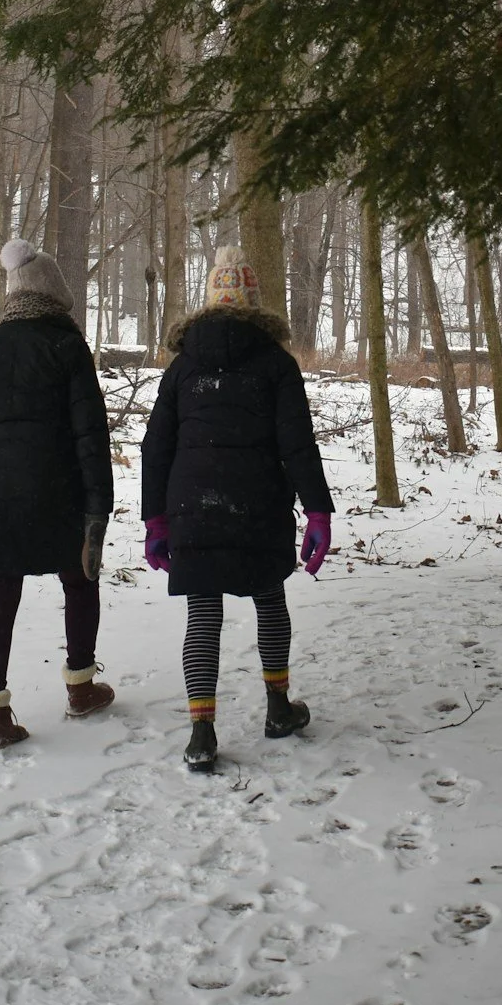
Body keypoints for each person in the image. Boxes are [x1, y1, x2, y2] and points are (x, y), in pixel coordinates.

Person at [141, 244, 335, 773]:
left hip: (192, 504)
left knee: (203, 612)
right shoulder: (276, 364)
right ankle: (278, 708)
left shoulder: (182, 368)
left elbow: (155, 447)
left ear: (209, 303)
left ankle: (201, 733)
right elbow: (297, 445)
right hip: (259, 503)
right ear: (254, 302)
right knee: (269, 600)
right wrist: (317, 511)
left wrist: (155, 519)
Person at [0, 239, 116, 754]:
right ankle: (81, 687)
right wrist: (98, 505)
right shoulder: (67, 347)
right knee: (80, 581)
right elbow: (90, 434)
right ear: (55, 293)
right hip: (58, 491)